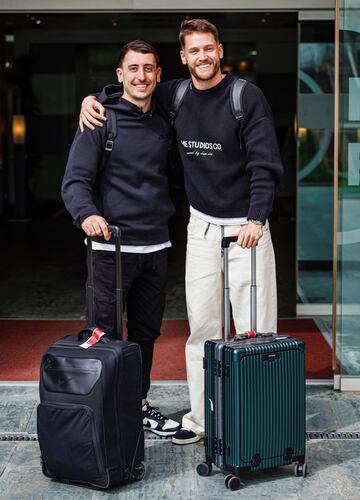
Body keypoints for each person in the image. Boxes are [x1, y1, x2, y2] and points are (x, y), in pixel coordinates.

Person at [79, 19, 284, 445]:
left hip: (247, 228)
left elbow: (265, 165)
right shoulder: (176, 93)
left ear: (220, 50)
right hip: (202, 228)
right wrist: (93, 99)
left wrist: (256, 218)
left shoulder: (245, 96)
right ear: (183, 57)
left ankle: (259, 423)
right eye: (194, 51)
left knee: (255, 333)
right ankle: (203, 419)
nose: (202, 57)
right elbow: (131, 88)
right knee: (203, 332)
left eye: (209, 49)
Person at [62, 40, 181, 438]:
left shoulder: (165, 119)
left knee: (146, 335)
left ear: (158, 74)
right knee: (103, 334)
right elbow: (75, 182)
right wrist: (87, 214)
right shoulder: (99, 119)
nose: (141, 76)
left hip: (155, 247)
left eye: (149, 68)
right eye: (133, 68)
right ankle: (102, 412)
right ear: (119, 75)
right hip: (110, 249)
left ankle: (139, 405)